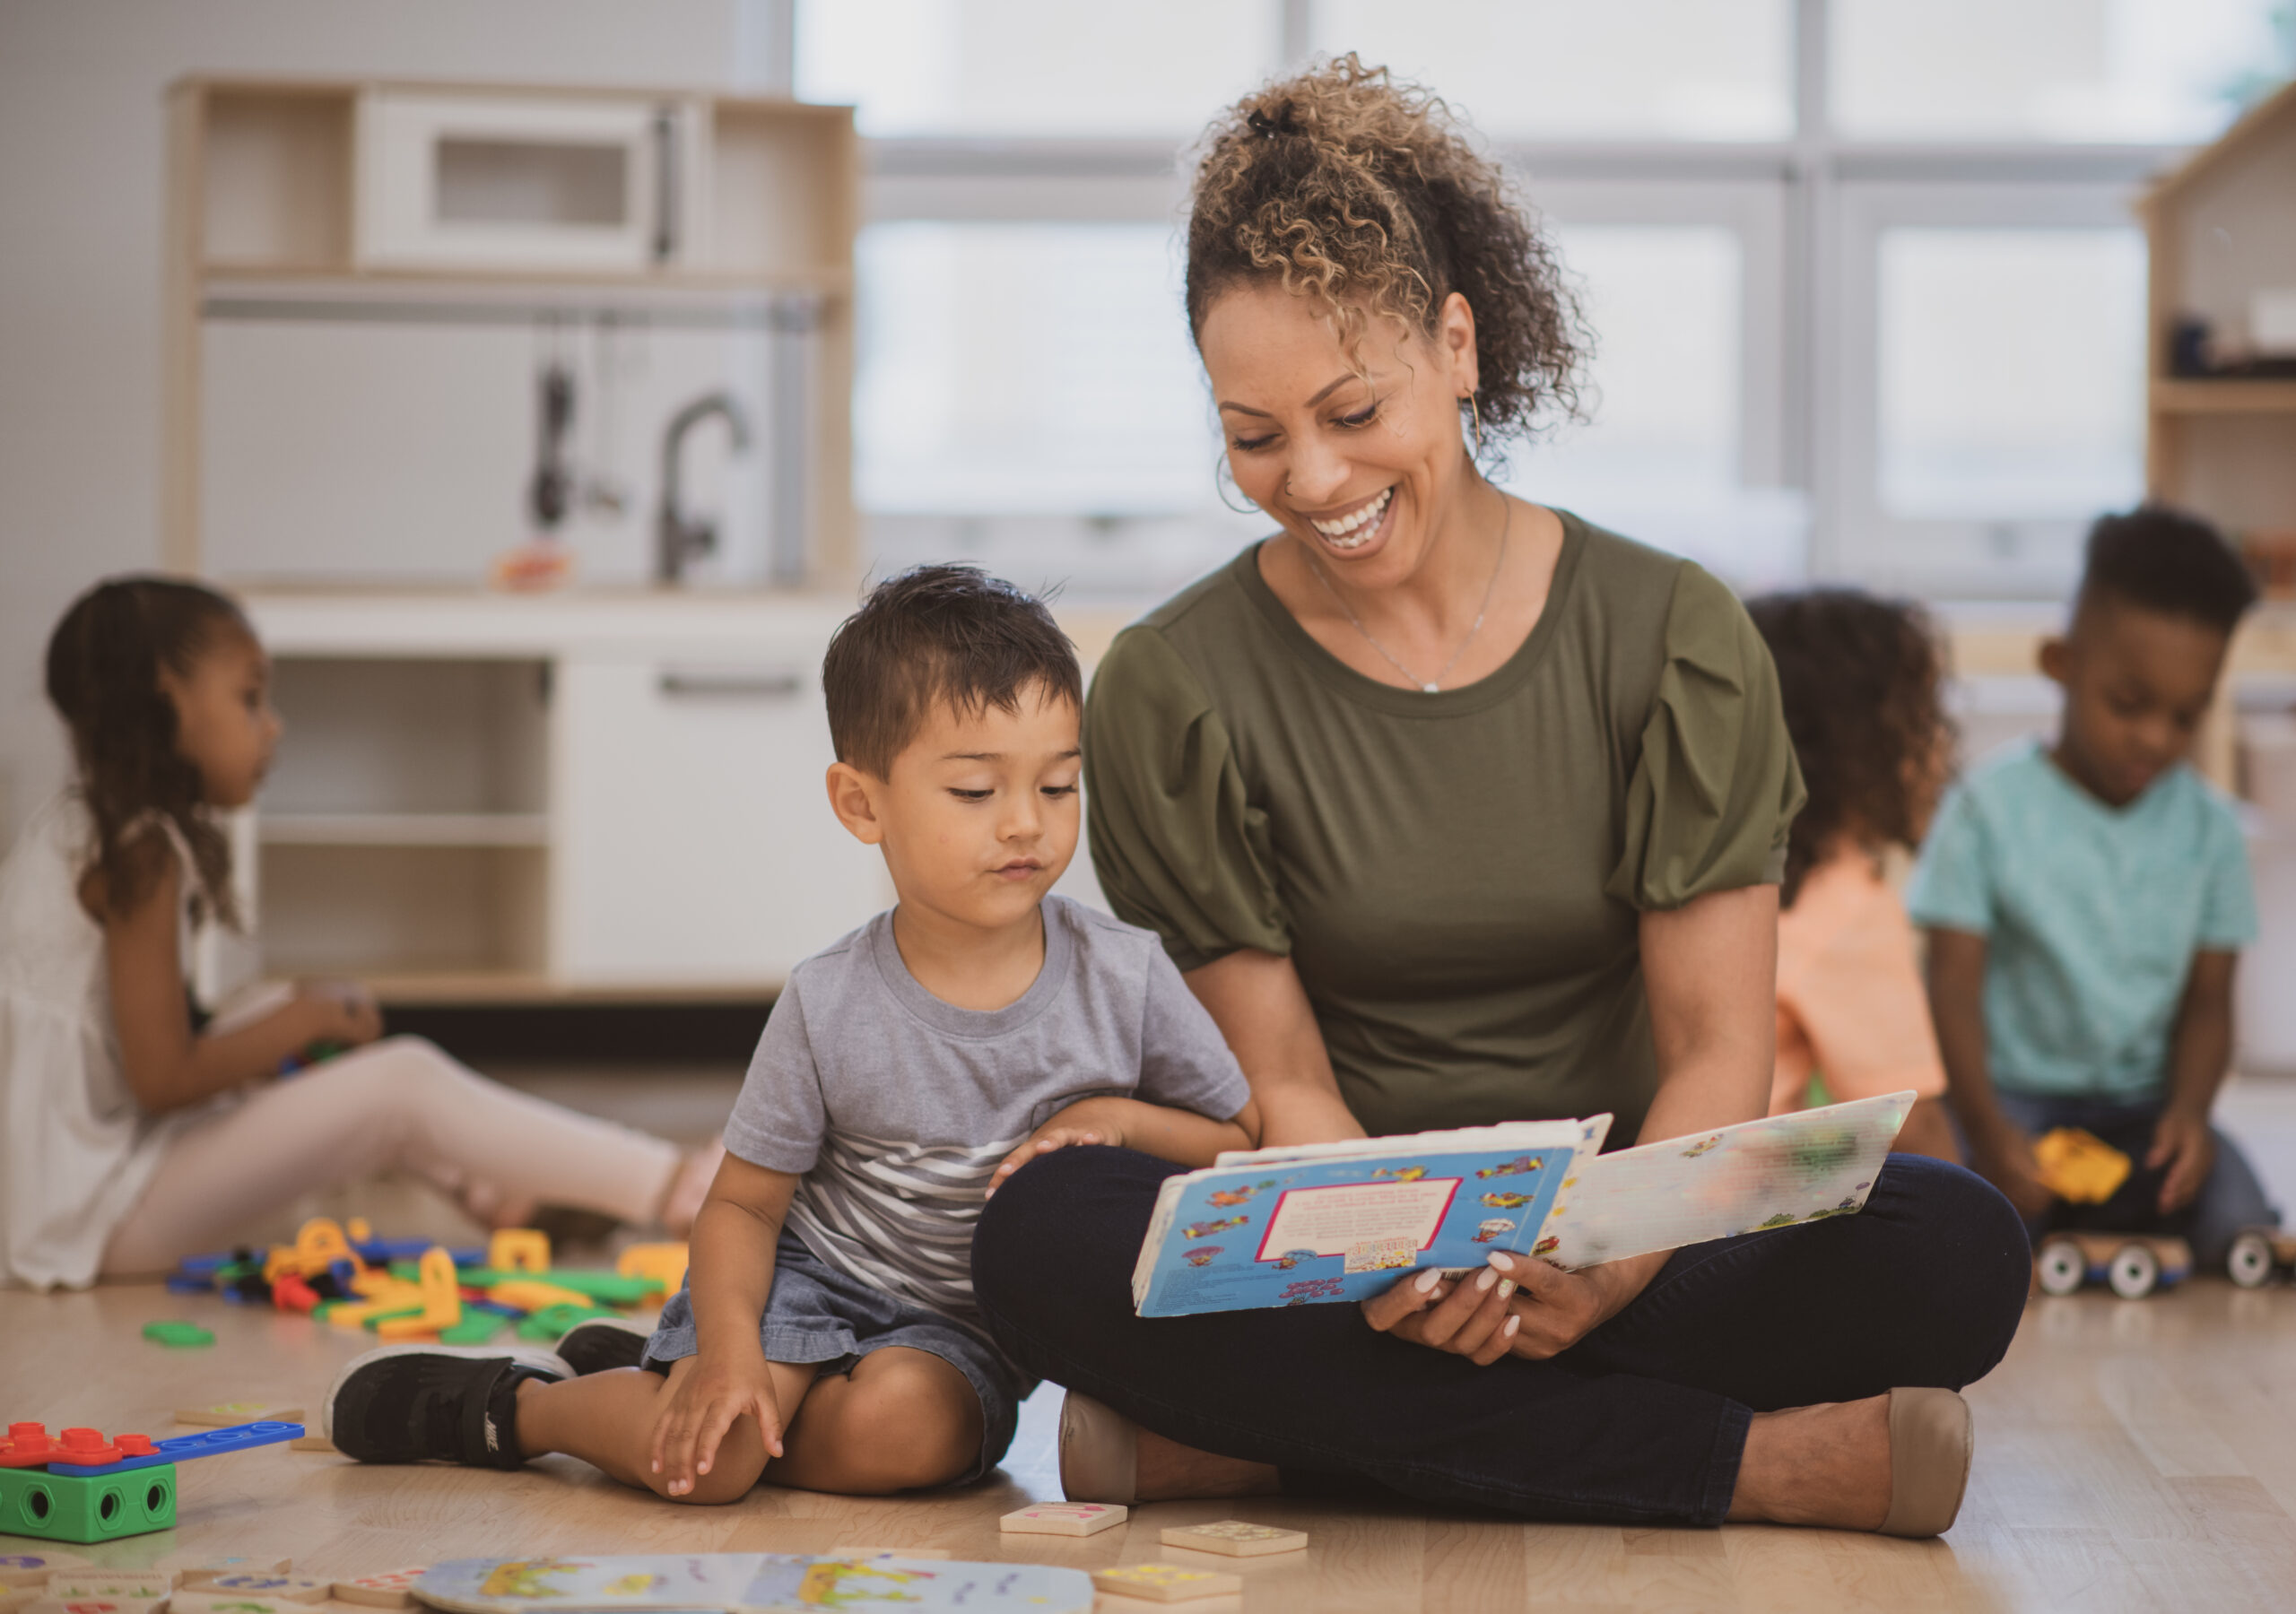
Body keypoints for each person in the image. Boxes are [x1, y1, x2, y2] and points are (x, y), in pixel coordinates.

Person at [969, 56, 2031, 1538]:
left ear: (1457, 346)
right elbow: (1287, 1089)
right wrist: (1396, 1261)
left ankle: (1272, 1450)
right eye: (1255, 435)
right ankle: (1760, 1467)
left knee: (1961, 1245)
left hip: (1633, 1214)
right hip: (1342, 1241)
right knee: (1035, 1234)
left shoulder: (1675, 638)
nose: (1313, 478)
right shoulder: (1174, 688)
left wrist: (1595, 1273)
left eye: (1352, 409)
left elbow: (1721, 1049)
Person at [323, 565, 1259, 1500]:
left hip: (965, 1334)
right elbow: (740, 1208)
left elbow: (1237, 1143)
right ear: (861, 804)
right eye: (976, 792)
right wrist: (731, 1353)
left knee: (900, 1438)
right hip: (804, 1280)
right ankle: (520, 1408)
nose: (1027, 823)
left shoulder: (1125, 973)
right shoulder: (828, 999)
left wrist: (1123, 1121)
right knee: (717, 1459)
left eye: (1058, 785)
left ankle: (646, 1385)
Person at [0, 577, 722, 1291]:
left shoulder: (90, 830)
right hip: (92, 1220)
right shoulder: (139, 850)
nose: (272, 725)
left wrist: (287, 1026)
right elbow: (161, 1077)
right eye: (249, 698)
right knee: (400, 1084)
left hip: (88, 1183)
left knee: (298, 1029)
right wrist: (297, 1023)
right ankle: (677, 1187)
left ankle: (496, 1189)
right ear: (164, 700)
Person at [1909, 507, 2280, 1268]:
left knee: (2236, 1207)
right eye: (2129, 704)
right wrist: (1987, 1127)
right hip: (2013, 1101)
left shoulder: (2211, 832)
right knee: (1949, 1198)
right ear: (2061, 662)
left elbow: (2211, 1000)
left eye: (2186, 715)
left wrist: (2188, 1112)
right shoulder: (1987, 808)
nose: (2155, 738)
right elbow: (1950, 983)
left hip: (2144, 1112)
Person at [1747, 590, 1958, 1158]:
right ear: (1856, 747)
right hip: (1729, 1209)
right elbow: (1915, 1130)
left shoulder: (1727, 867)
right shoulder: (1846, 904)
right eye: (1923, 720)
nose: (1943, 745)